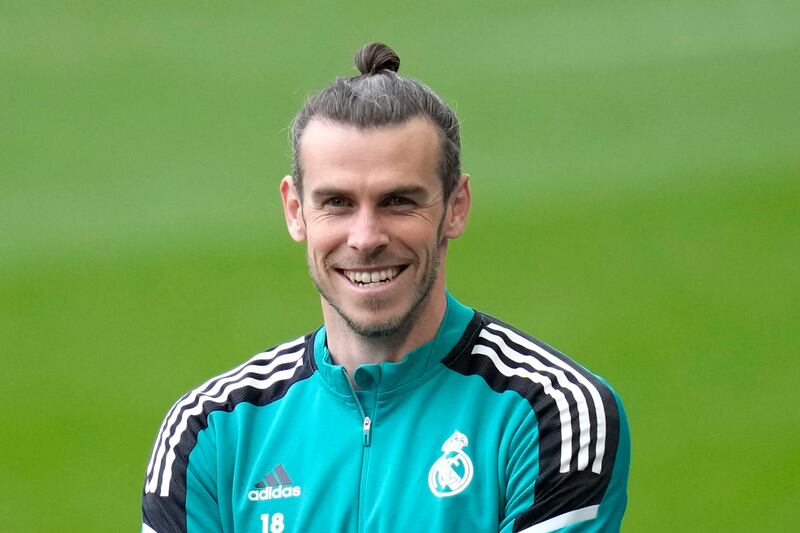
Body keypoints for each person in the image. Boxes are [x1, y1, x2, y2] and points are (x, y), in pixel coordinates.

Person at [141, 42, 630, 533]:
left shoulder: (552, 414)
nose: (366, 238)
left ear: (455, 206)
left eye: (398, 201)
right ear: (295, 211)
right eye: (336, 202)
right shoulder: (211, 430)